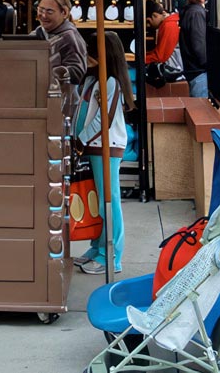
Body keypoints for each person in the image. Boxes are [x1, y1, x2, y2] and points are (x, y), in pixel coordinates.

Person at [72, 31, 135, 275]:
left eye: (92, 51)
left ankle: (112, 255)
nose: (87, 55)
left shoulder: (109, 82)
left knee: (109, 200)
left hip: (104, 147)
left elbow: (103, 121)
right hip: (93, 146)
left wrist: (80, 140)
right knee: (99, 199)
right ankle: (98, 247)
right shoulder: (95, 80)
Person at [31, 0, 88, 117]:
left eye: (49, 11)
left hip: (63, 108)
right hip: (42, 104)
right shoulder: (38, 33)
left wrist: (51, 72)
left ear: (64, 12)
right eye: (40, 10)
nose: (43, 15)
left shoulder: (69, 37)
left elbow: (77, 72)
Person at [179, 0, 209, 98]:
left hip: (192, 69)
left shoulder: (189, 11)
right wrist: (207, 63)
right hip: (199, 70)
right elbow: (199, 43)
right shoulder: (197, 13)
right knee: (202, 110)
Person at [144, 0, 181, 68]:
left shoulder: (169, 25)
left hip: (174, 69)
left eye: (148, 21)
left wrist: (141, 59)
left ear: (154, 15)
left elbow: (161, 56)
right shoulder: (169, 23)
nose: (148, 25)